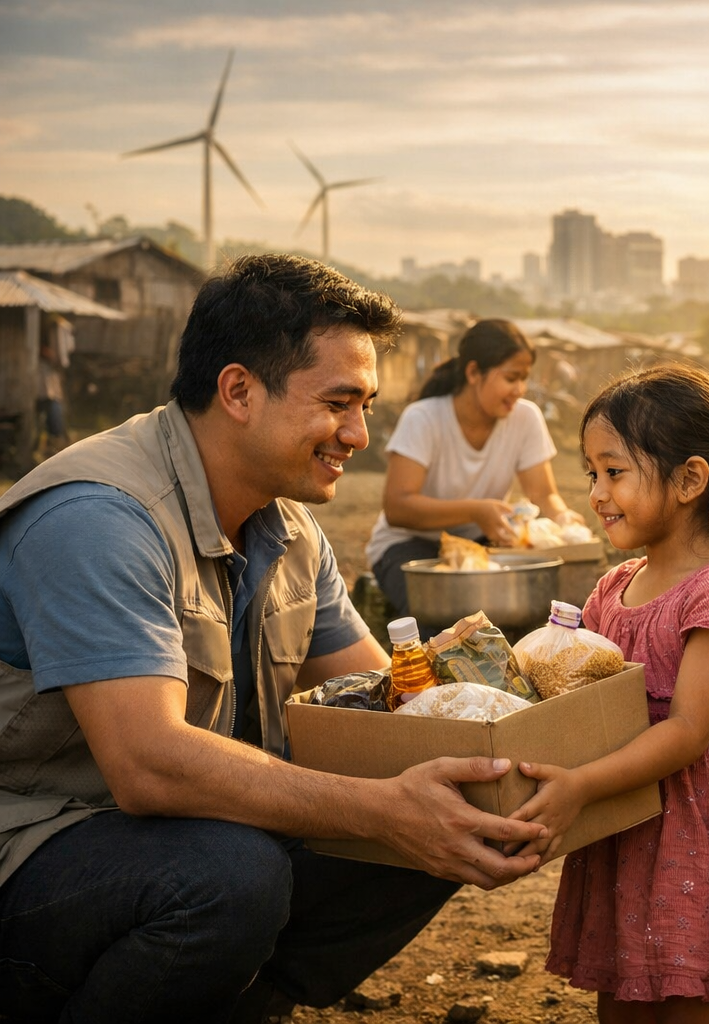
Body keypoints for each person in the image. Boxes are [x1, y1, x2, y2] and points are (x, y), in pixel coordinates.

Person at [0, 255, 548, 1024]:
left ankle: (242, 1003)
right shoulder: (100, 519)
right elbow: (147, 764)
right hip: (34, 846)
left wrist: (509, 732)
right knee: (231, 877)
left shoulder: (288, 529)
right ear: (238, 392)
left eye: (366, 406)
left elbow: (392, 719)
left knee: (449, 803)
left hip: (169, 836)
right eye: (338, 403)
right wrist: (380, 810)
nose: (358, 434)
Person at [512, 365, 709, 1022]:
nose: (596, 493)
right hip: (622, 823)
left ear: (689, 480)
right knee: (621, 991)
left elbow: (686, 733)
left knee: (686, 992)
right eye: (591, 473)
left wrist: (580, 785)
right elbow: (575, 693)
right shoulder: (612, 588)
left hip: (692, 830)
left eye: (614, 472)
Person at [365, 318, 584, 613]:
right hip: (408, 545)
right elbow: (397, 508)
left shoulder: (526, 418)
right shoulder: (423, 418)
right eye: (511, 378)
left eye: (524, 379)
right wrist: (475, 511)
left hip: (478, 543)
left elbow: (543, 494)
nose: (519, 389)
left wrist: (563, 519)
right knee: (448, 614)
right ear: (473, 372)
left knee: (528, 607)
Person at [34, 335, 68, 458]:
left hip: (51, 398)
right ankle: (43, 448)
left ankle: (54, 447)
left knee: (55, 425)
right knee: (39, 426)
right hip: (42, 398)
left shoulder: (52, 367)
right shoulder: (38, 365)